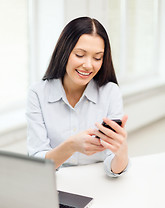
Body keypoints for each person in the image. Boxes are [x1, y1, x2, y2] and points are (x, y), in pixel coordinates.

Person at [26, 16, 129, 177]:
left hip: (97, 183)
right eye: (80, 55)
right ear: (64, 51)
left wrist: (121, 153)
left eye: (97, 58)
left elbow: (113, 167)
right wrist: (71, 145)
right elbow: (37, 163)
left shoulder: (110, 92)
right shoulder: (38, 93)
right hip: (55, 183)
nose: (88, 65)